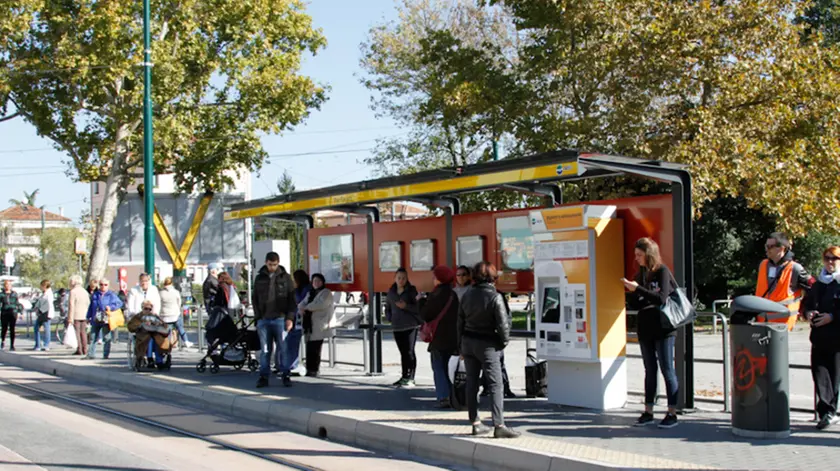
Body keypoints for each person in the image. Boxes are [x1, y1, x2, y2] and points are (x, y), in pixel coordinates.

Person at [623, 237, 679, 429]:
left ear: (649, 254)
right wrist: (630, 293)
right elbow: (639, 302)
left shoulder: (662, 271)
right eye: (636, 255)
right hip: (645, 328)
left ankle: (672, 412)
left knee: (667, 369)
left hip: (664, 328)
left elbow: (661, 298)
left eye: (640, 255)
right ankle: (648, 410)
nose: (637, 258)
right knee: (649, 369)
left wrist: (638, 289)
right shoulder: (642, 274)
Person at [458, 261, 518, 439]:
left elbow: (459, 322)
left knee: (472, 383)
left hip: (468, 342)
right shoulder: (495, 296)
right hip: (488, 344)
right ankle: (499, 425)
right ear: (493, 277)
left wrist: (460, 345)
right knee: (495, 385)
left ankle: (475, 423)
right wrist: (503, 343)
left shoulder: (467, 295)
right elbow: (503, 324)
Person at [803, 246, 840, 430]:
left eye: (834, 258)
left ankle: (830, 412)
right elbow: (806, 304)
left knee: (834, 376)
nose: (830, 262)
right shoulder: (818, 284)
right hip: (818, 337)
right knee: (819, 375)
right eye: (827, 258)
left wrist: (832, 317)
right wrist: (809, 313)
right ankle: (825, 411)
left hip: (836, 338)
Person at [252, 252, 295, 388]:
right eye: (270, 264)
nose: (272, 267)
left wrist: (289, 318)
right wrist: (258, 317)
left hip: (280, 318)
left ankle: (285, 375)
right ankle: (264, 376)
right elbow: (255, 299)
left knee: (283, 349)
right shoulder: (259, 278)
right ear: (266, 262)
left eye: (275, 265)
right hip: (264, 319)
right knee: (265, 350)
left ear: (278, 263)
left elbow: (292, 299)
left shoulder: (286, 278)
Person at [419, 266, 459, 408]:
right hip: (454, 338)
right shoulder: (454, 295)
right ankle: (454, 396)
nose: (433, 279)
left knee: (439, 368)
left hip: (438, 338)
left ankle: (443, 397)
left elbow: (425, 314)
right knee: (451, 368)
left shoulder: (435, 295)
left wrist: (421, 302)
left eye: (435, 276)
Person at [756, 232, 812, 330]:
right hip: (762, 323)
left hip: (784, 326)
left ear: (781, 248)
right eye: (766, 246)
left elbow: (813, 288)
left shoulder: (795, 268)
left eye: (770, 246)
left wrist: (805, 309)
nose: (767, 249)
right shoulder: (763, 265)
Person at [385, 268, 422, 388]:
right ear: (395, 278)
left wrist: (406, 306)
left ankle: (411, 377)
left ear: (407, 279)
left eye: (404, 278)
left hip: (410, 325)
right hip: (397, 326)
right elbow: (388, 307)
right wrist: (390, 317)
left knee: (409, 351)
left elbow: (418, 308)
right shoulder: (391, 291)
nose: (401, 280)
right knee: (403, 352)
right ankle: (404, 376)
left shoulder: (411, 291)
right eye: (399, 278)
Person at [297, 273, 335, 377]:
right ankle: (309, 368)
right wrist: (301, 308)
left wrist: (306, 308)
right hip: (309, 324)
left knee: (316, 347)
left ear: (323, 282)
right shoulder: (310, 293)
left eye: (318, 281)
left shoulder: (326, 292)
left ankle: (314, 369)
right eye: (314, 281)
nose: (316, 283)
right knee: (309, 346)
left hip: (320, 324)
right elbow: (301, 303)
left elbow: (320, 304)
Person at [127, 273, 161, 363]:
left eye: (146, 281)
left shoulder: (153, 290)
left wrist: (154, 313)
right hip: (139, 318)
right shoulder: (134, 291)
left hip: (151, 317)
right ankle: (147, 356)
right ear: (139, 281)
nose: (144, 283)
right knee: (146, 335)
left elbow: (157, 304)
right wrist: (138, 314)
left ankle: (159, 358)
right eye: (142, 281)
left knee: (158, 335)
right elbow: (131, 306)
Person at [86, 278, 123, 360]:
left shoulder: (111, 295)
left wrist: (111, 307)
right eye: (101, 284)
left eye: (105, 285)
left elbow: (119, 303)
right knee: (93, 336)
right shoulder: (95, 295)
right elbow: (91, 306)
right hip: (96, 319)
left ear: (108, 285)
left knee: (107, 337)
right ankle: (91, 354)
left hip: (106, 319)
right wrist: (88, 317)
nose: (103, 286)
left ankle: (106, 355)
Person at [288, 269, 311, 376]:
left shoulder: (305, 289)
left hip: (300, 318)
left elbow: (299, 301)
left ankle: (293, 364)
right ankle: (291, 363)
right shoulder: (298, 289)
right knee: (292, 341)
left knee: (293, 341)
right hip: (296, 318)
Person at [159, 277, 192, 348]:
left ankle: (166, 344)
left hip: (164, 316)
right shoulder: (176, 292)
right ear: (171, 283)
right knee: (180, 328)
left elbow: (159, 304)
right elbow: (179, 303)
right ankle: (186, 341)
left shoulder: (161, 293)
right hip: (175, 314)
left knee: (166, 332)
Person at [67, 275, 91, 356]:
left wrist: (70, 317)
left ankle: (79, 349)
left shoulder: (73, 292)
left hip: (76, 315)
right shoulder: (85, 291)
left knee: (76, 333)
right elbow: (88, 303)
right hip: (84, 315)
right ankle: (85, 349)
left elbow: (71, 305)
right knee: (83, 332)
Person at [33, 279, 56, 351]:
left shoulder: (49, 294)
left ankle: (46, 344)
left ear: (45, 286)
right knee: (36, 328)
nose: (40, 287)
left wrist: (40, 310)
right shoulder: (44, 293)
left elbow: (47, 305)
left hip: (46, 314)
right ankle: (38, 344)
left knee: (46, 328)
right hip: (41, 313)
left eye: (41, 286)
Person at [0, 279, 22, 351]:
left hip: (13, 313)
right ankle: (3, 341)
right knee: (4, 328)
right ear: (4, 285)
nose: (8, 286)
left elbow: (17, 303)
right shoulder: (1, 294)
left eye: (9, 285)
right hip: (4, 313)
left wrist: (20, 312)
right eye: (7, 284)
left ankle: (12, 345)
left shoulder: (14, 294)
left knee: (12, 329)